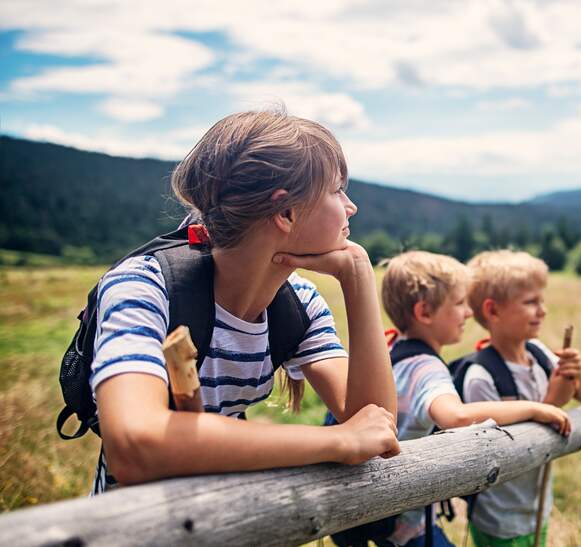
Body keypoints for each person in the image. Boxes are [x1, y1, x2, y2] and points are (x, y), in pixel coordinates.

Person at [89, 109, 399, 494]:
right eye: (337, 190)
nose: (350, 206)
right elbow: (134, 444)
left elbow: (376, 425)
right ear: (286, 211)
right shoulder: (145, 286)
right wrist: (340, 441)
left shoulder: (299, 303)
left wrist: (358, 276)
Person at [375, 251, 571, 547]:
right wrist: (535, 408)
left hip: (380, 516)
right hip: (406, 528)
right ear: (425, 312)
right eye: (459, 303)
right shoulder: (426, 368)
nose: (469, 312)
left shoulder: (391, 351)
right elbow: (456, 417)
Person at [461, 250, 581, 547]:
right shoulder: (481, 377)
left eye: (542, 300)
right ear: (493, 311)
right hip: (500, 519)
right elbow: (501, 453)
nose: (543, 310)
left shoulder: (539, 353)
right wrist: (553, 403)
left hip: (536, 508)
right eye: (530, 302)